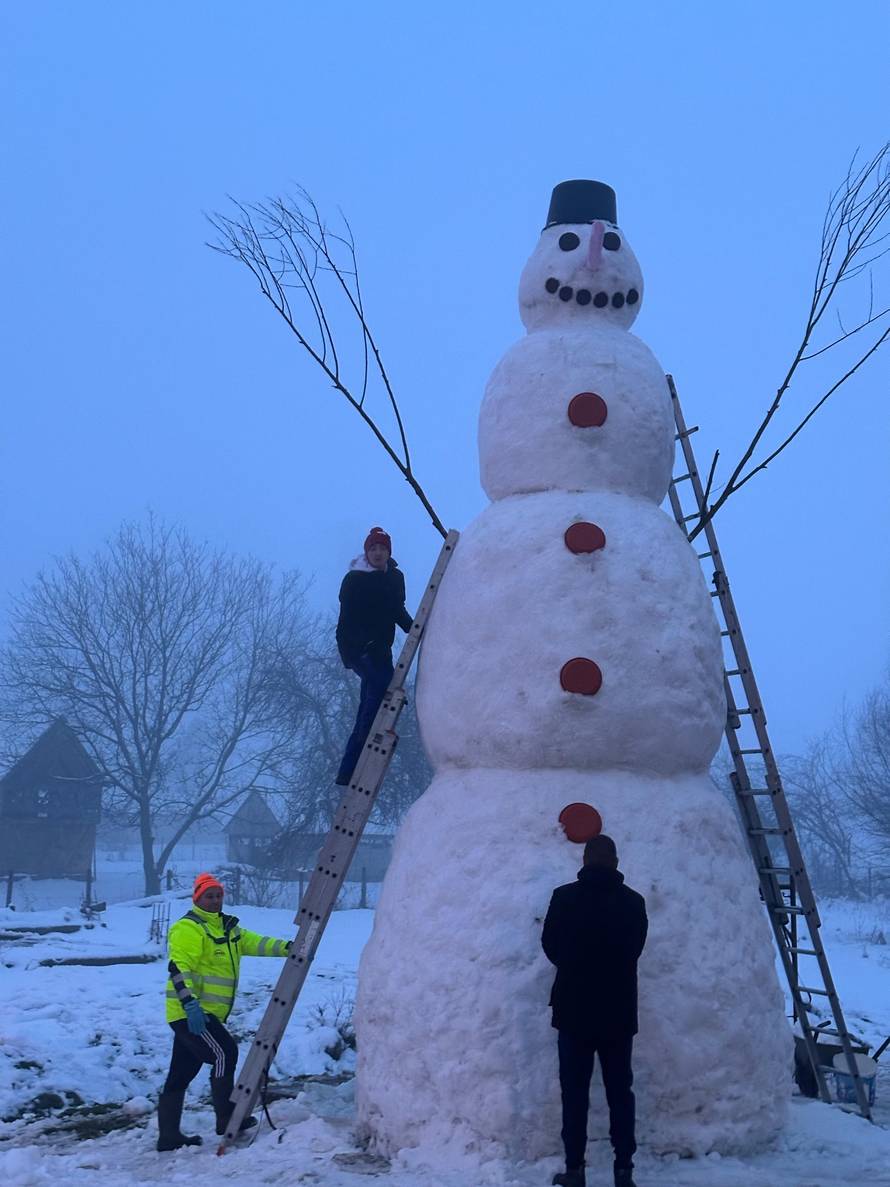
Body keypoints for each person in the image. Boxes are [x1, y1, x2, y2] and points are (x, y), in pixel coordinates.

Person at [542, 835, 648, 1187]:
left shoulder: (563, 898)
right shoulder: (634, 903)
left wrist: (574, 968)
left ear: (585, 859)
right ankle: (623, 1170)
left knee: (574, 1092)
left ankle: (575, 1170)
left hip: (573, 1011)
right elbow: (634, 950)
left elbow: (551, 946)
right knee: (621, 1092)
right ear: (615, 862)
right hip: (618, 1012)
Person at [157, 872, 290, 1152]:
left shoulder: (228, 929)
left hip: (206, 1013)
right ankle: (225, 1117)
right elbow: (179, 967)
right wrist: (190, 1004)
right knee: (224, 1052)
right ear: (197, 898)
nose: (215, 900)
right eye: (209, 896)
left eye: (218, 895)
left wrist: (287, 948)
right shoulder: (189, 928)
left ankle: (168, 1137)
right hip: (191, 1012)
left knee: (180, 1074)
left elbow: (256, 943)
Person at [335, 526, 413, 785]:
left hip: (381, 648)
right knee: (383, 683)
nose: (378, 553)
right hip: (358, 647)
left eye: (382, 548)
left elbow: (396, 610)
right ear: (366, 552)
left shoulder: (394, 577)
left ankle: (348, 771)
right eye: (373, 548)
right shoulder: (355, 579)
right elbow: (346, 620)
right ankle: (369, 738)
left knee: (368, 701)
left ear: (389, 551)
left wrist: (415, 629)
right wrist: (357, 648)